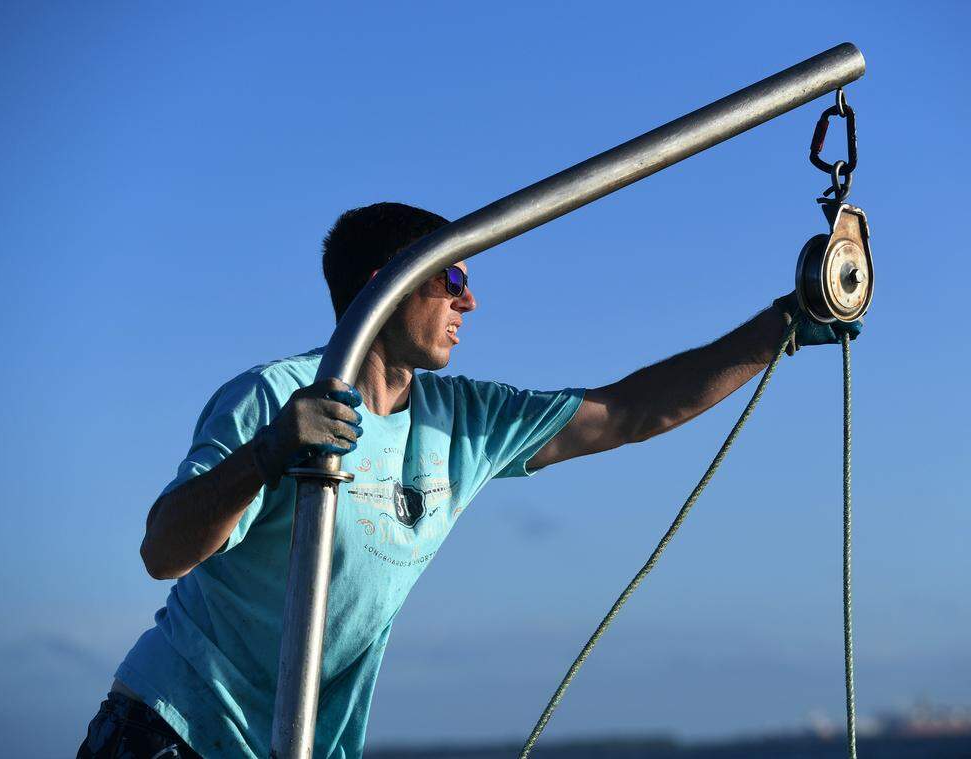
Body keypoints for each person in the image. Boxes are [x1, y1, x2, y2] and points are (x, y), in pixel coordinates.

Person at [77, 202, 860, 758]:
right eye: (451, 277)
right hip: (169, 728)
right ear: (387, 283)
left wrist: (784, 323)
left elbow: (628, 410)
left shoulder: (465, 420)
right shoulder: (274, 396)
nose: (470, 299)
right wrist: (270, 451)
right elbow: (163, 548)